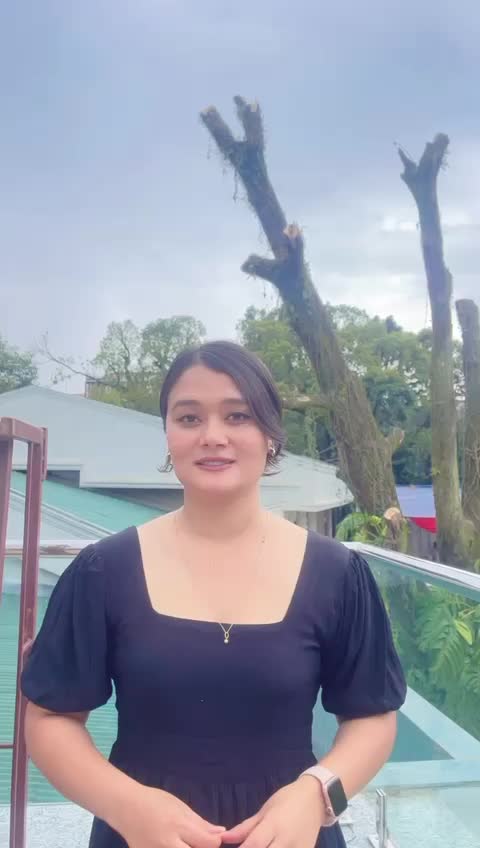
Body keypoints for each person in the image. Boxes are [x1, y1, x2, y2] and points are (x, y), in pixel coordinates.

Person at [21, 340, 406, 848]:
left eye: (237, 416)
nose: (213, 436)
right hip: (139, 835)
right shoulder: (103, 571)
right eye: (189, 418)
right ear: (167, 435)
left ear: (270, 434)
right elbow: (51, 718)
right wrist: (127, 806)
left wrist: (317, 796)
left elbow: (372, 716)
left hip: (294, 834)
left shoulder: (338, 574)